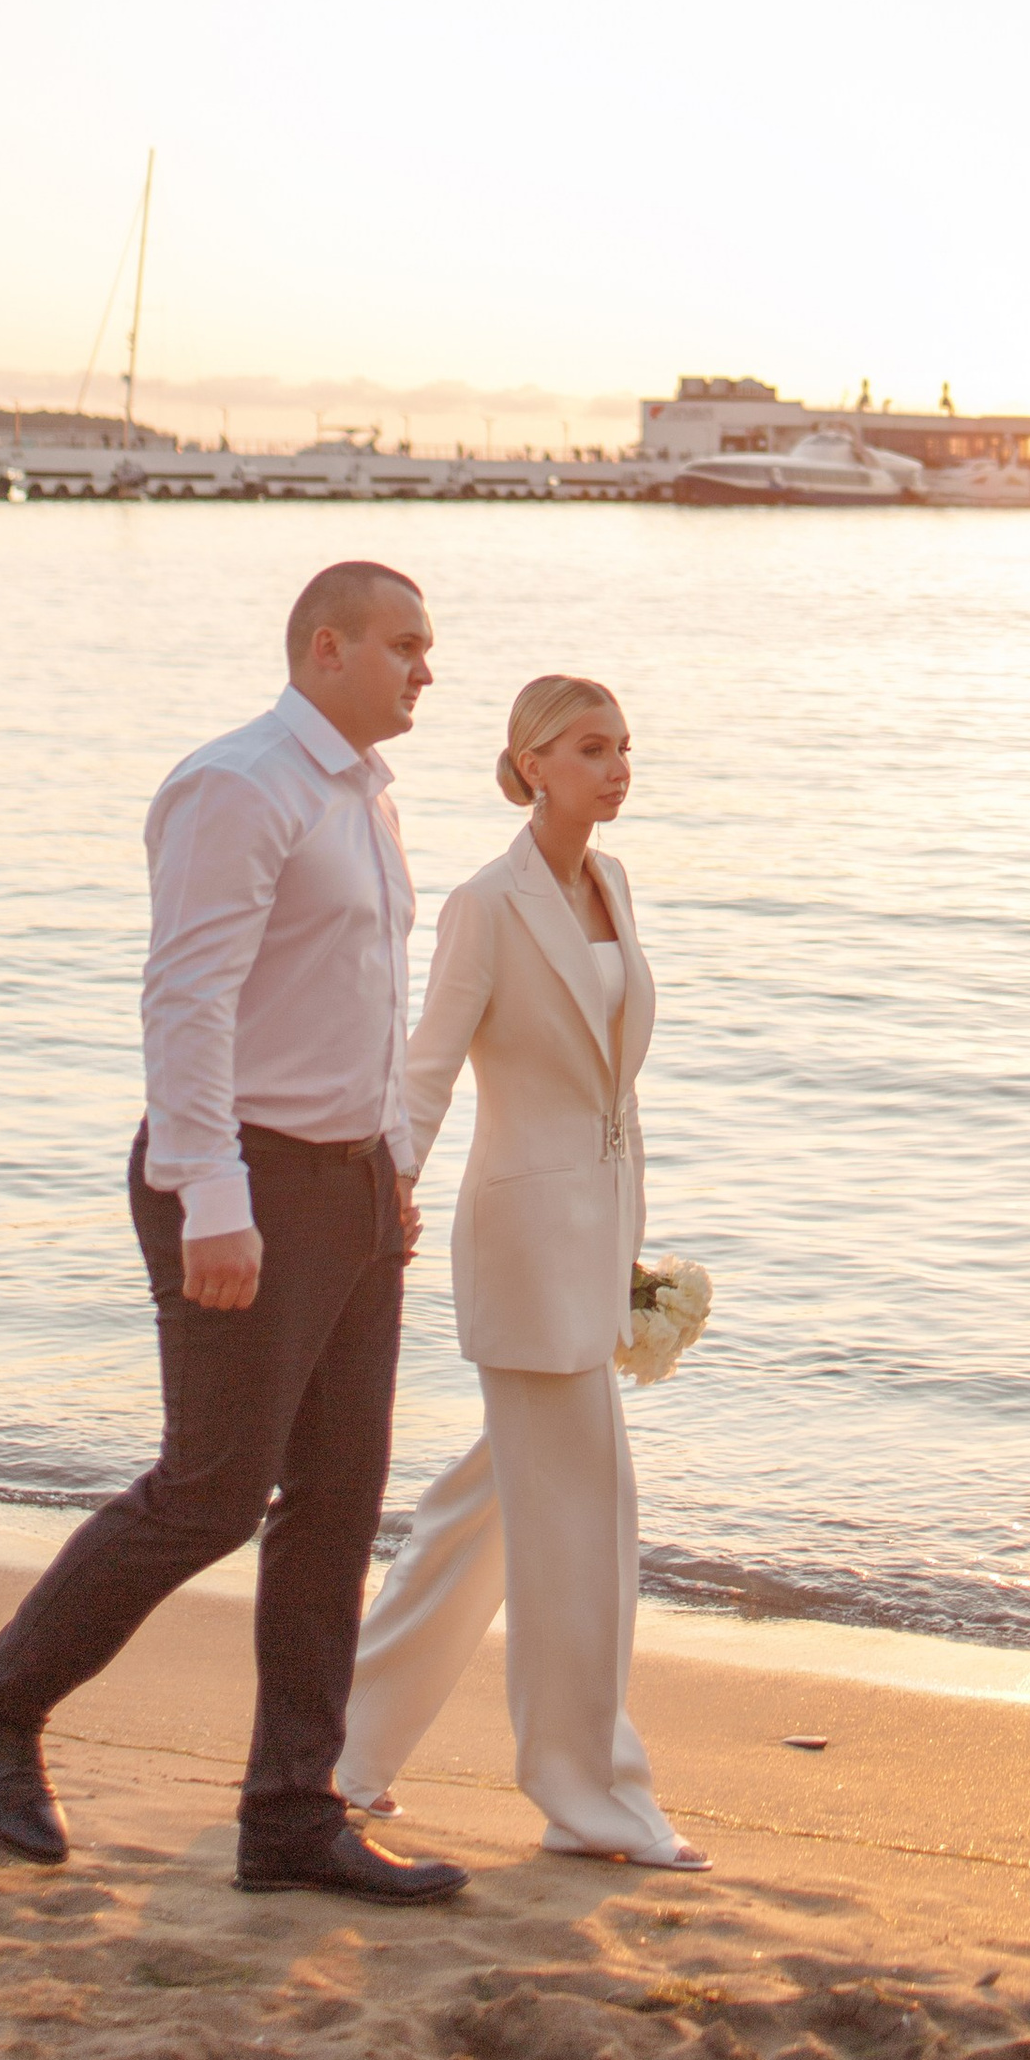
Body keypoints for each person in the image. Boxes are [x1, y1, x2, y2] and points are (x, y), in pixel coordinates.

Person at [0, 561, 467, 1905]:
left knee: (339, 1507)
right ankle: (1, 1699)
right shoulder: (239, 785)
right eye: (406, 646)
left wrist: (392, 1170)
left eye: (431, 648)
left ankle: (291, 1818)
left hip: (349, 1185)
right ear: (325, 646)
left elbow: (358, 1005)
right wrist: (212, 1197)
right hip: (241, 1180)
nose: (427, 670)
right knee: (214, 1492)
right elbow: (189, 1001)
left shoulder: (368, 797)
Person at [335, 676, 706, 1867]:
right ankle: (586, 1794)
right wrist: (384, 1191)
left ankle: (340, 1749)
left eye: (625, 747)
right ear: (531, 763)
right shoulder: (484, 906)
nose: (617, 767)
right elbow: (428, 1064)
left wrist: (630, 1242)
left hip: (596, 1242)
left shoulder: (611, 884)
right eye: (592, 749)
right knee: (588, 1522)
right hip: (520, 1249)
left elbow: (609, 1090)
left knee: (481, 1518)